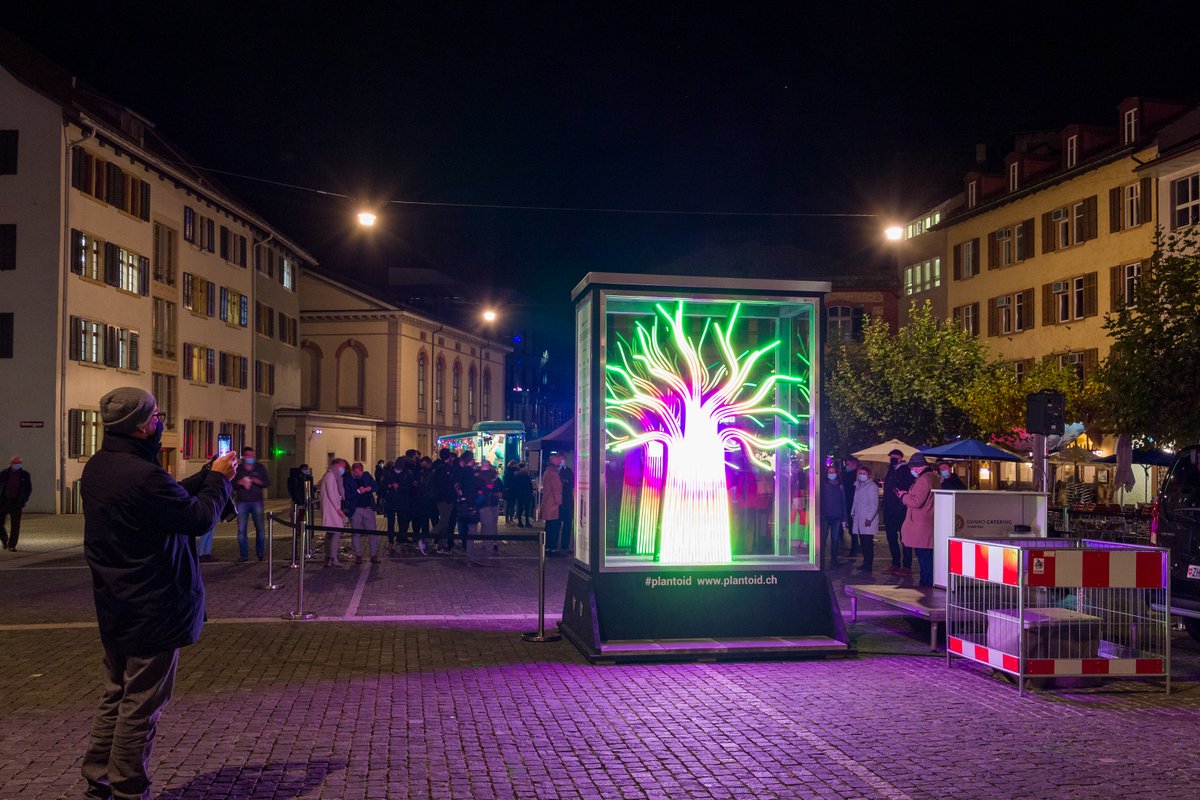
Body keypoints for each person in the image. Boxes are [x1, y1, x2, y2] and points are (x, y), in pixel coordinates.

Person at [80, 386, 235, 800]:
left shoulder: (100, 467)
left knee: (115, 695)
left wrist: (204, 476)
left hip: (116, 604)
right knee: (141, 705)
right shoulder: (143, 474)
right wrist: (218, 481)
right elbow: (196, 518)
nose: (159, 422)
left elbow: (160, 499)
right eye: (155, 416)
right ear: (140, 426)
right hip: (154, 606)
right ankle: (130, 787)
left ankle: (99, 779)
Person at [898, 453, 936, 586]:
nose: (911, 471)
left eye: (912, 468)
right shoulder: (933, 477)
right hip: (928, 522)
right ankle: (927, 583)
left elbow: (916, 502)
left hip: (922, 525)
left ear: (916, 467)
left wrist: (903, 496)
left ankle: (926, 585)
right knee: (927, 558)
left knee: (924, 558)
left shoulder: (924, 479)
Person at [232, 446, 270, 563]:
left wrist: (257, 481)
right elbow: (231, 484)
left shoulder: (260, 467)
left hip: (257, 501)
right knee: (242, 530)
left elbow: (267, 482)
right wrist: (240, 482)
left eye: (252, 455)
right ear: (243, 457)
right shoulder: (238, 469)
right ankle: (244, 555)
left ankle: (260, 554)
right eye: (248, 455)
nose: (251, 457)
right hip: (242, 502)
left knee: (260, 529)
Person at [882, 448, 915, 575]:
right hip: (889, 510)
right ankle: (895, 563)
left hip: (901, 510)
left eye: (894, 457)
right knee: (891, 538)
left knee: (904, 539)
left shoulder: (906, 470)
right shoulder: (891, 470)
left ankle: (907, 566)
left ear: (900, 458)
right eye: (891, 457)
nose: (892, 459)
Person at [345, 462, 381, 564]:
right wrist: (358, 492)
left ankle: (374, 554)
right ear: (353, 471)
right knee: (356, 533)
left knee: (373, 533)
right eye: (356, 473)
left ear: (362, 470)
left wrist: (368, 488)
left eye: (359, 473)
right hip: (356, 509)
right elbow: (347, 495)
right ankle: (358, 555)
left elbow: (376, 486)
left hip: (368, 508)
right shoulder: (348, 480)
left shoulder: (366, 475)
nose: (358, 475)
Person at [381, 456, 414, 555]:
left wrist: (400, 486)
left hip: (402, 500)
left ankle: (401, 539)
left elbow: (409, 487)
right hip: (391, 500)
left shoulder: (407, 474)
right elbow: (382, 485)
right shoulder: (388, 473)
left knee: (402, 522)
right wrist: (390, 486)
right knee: (390, 522)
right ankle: (391, 541)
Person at [850, 464, 880, 572]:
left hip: (867, 519)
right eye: (860, 473)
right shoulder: (858, 486)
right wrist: (853, 511)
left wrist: (869, 518)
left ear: (869, 475)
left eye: (864, 473)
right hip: (859, 517)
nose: (861, 475)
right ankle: (865, 562)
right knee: (863, 542)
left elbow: (874, 504)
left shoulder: (872, 487)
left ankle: (868, 564)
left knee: (867, 543)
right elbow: (855, 500)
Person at [0, 455, 33, 551]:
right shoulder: (4, 473)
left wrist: (23, 500)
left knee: (15, 525)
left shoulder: (25, 475)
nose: (16, 465)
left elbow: (28, 489)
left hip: (16, 503)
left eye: (18, 463)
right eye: (15, 463)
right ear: (11, 463)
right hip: (4, 501)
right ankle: (4, 538)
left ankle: (12, 545)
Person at [321, 458, 348, 567]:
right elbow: (331, 493)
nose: (343, 469)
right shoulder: (330, 476)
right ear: (336, 465)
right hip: (332, 509)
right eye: (342, 466)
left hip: (333, 508)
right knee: (335, 532)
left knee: (331, 533)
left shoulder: (333, 476)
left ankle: (330, 557)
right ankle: (333, 557)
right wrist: (338, 509)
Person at [431, 449, 459, 554]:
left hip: (440, 498)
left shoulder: (437, 466)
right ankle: (426, 540)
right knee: (443, 522)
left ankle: (441, 545)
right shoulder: (444, 468)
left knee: (445, 522)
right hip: (445, 499)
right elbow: (446, 485)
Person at [820, 463, 847, 567]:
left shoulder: (840, 486)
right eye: (829, 472)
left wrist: (844, 518)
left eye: (833, 472)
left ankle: (834, 560)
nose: (831, 474)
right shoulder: (823, 485)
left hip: (837, 516)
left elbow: (843, 502)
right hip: (826, 515)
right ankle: (820, 559)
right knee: (823, 538)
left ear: (837, 473)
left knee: (835, 539)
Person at [454, 451, 479, 552]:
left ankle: (464, 542)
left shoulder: (462, 471)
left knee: (464, 522)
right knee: (469, 522)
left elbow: (458, 485)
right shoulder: (470, 472)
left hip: (463, 498)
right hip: (470, 499)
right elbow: (472, 486)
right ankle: (467, 544)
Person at [540, 454, 564, 555]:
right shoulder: (553, 473)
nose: (561, 462)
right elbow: (556, 489)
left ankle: (547, 547)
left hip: (547, 503)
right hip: (553, 505)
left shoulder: (547, 472)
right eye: (560, 459)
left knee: (549, 527)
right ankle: (552, 548)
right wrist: (559, 502)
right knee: (554, 527)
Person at [478, 463, 504, 552]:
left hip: (493, 505)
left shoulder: (497, 481)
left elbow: (501, 493)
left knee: (492, 524)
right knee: (485, 525)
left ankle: (493, 542)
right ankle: (485, 542)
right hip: (485, 505)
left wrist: (494, 494)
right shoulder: (483, 480)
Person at [841, 455, 861, 557]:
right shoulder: (848, 474)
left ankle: (855, 548)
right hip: (849, 504)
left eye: (848, 464)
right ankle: (855, 547)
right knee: (852, 528)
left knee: (855, 528)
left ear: (854, 464)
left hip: (855, 505)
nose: (846, 466)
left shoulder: (856, 476)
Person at [558, 456, 575, 554]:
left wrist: (567, 482)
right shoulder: (556, 471)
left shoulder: (568, 470)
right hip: (561, 501)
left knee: (568, 524)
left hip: (567, 500)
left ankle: (565, 545)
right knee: (558, 524)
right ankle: (555, 545)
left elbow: (572, 481)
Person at [512, 462, 534, 528]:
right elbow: (529, 485)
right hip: (526, 494)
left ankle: (520, 523)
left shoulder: (516, 475)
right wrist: (531, 492)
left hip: (519, 494)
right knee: (527, 509)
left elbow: (515, 485)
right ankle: (527, 522)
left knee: (520, 508)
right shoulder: (526, 475)